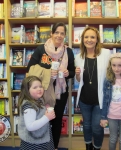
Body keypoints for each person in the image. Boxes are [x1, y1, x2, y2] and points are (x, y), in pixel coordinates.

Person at [27, 22, 75, 150]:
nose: (59, 35)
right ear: (51, 34)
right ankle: (42, 145)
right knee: (43, 118)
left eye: (62, 33)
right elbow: (30, 69)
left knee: (57, 119)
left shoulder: (68, 51)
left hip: (60, 92)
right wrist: (47, 72)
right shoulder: (41, 49)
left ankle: (54, 147)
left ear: (64, 36)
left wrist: (67, 73)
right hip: (42, 91)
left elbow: (72, 72)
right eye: (57, 32)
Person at [75, 26, 111, 150]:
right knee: (86, 125)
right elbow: (79, 81)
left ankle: (97, 147)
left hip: (99, 100)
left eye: (92, 37)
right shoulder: (78, 57)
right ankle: (88, 147)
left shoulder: (106, 53)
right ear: (82, 40)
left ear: (97, 39)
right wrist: (77, 74)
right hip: (84, 99)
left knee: (97, 127)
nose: (89, 40)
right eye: (86, 37)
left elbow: (118, 66)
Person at [18, 76, 56, 150]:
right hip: (33, 143)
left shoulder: (38, 100)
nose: (39, 89)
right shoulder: (28, 106)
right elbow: (30, 126)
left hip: (40, 138)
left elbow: (38, 114)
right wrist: (47, 117)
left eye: (40, 86)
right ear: (27, 91)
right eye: (35, 87)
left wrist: (45, 109)